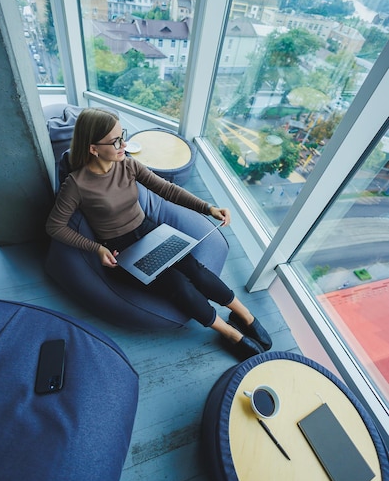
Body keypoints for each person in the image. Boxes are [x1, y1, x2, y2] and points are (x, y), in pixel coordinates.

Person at [46, 108, 272, 360]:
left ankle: (245, 316)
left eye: (124, 136)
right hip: (121, 250)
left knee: (195, 271)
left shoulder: (128, 164)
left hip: (150, 231)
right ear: (93, 148)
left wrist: (208, 208)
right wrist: (97, 248)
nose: (125, 144)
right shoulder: (76, 184)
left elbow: (168, 190)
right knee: (178, 285)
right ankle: (230, 334)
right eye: (117, 141)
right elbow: (55, 226)